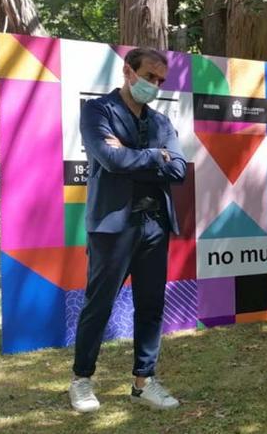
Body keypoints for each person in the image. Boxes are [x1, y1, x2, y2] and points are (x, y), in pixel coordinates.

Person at [69, 48, 187, 413]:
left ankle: (144, 381)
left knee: (150, 306)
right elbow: (109, 159)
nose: (154, 85)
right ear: (127, 71)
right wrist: (156, 157)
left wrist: (139, 157)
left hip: (155, 226)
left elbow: (179, 168)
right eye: (149, 76)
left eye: (160, 81)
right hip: (112, 227)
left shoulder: (162, 122)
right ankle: (81, 380)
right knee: (98, 305)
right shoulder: (97, 111)